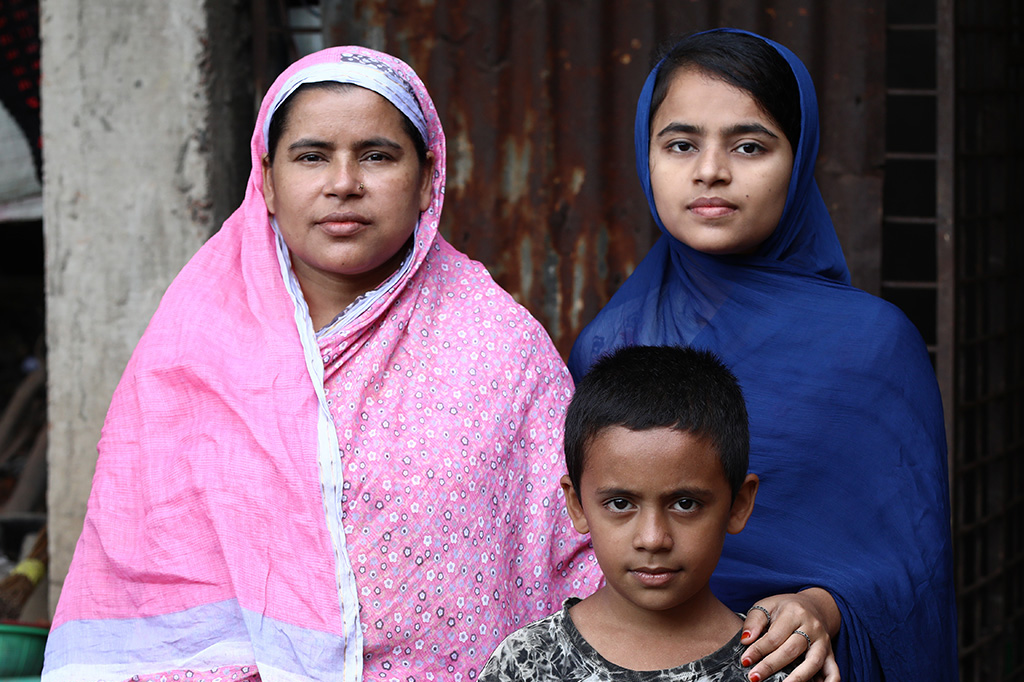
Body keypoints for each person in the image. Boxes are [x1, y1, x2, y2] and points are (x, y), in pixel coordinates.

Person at [42, 47, 599, 682]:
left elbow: (583, 542)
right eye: (311, 156)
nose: (343, 183)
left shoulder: (502, 345)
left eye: (377, 155)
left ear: (426, 180)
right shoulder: (192, 347)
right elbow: (149, 560)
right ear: (268, 182)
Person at [567, 28, 957, 682]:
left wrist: (822, 607)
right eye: (681, 144)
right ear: (647, 155)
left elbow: (914, 568)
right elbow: (585, 553)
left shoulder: (874, 345)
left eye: (750, 146)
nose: (711, 170)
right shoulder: (610, 345)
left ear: (798, 161)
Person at [481, 344, 794, 682]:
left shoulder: (775, 668)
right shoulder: (528, 663)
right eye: (620, 503)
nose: (653, 539)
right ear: (577, 505)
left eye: (685, 503)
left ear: (739, 505)